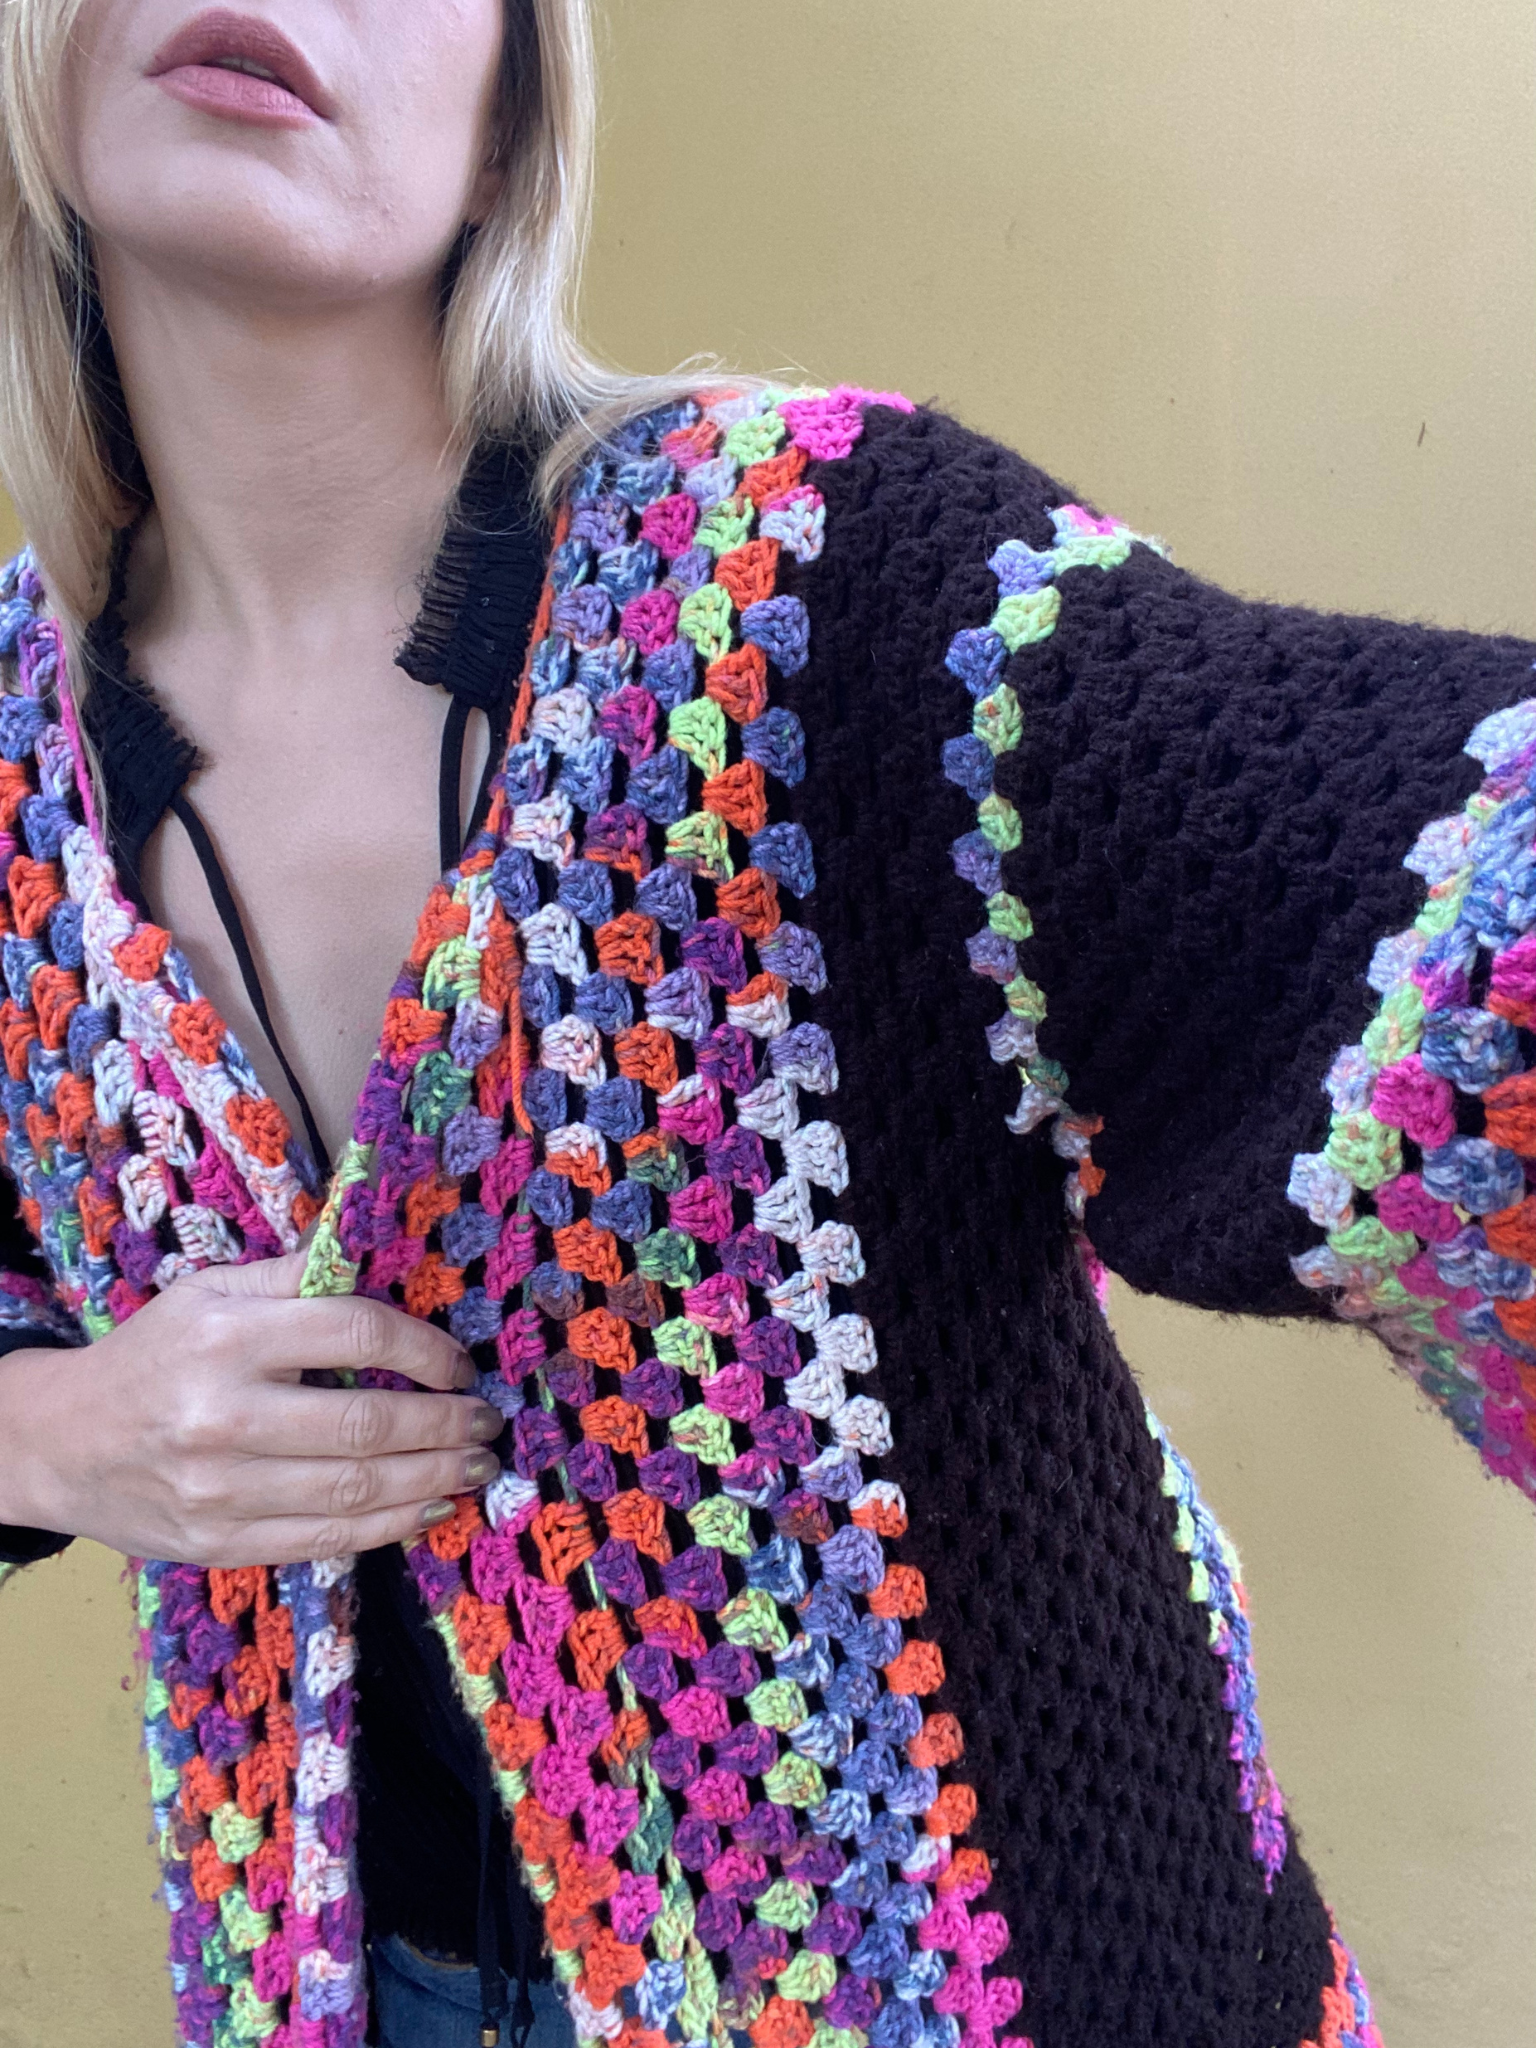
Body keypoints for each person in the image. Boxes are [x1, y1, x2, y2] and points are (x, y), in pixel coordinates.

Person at [0, 4, 1530, 2047]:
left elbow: (1400, 891)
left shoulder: (815, 581)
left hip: (1004, 1979)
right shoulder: (14, 778)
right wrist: (56, 1432)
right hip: (358, 1982)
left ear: (508, 131)